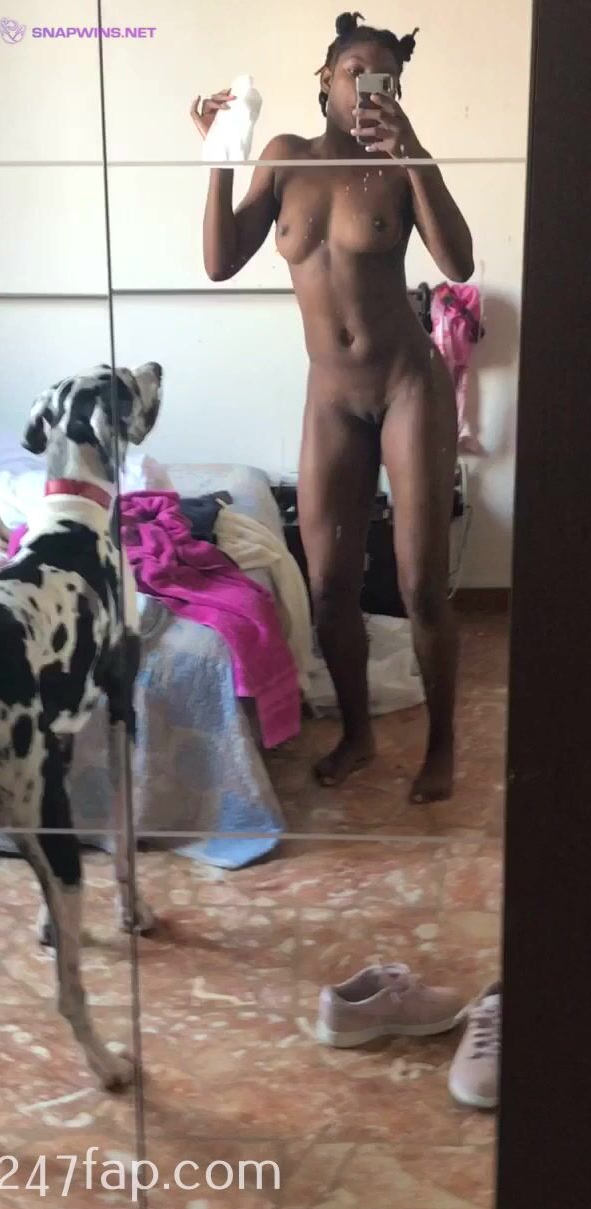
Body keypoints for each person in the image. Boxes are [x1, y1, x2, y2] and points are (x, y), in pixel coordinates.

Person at [191, 12, 474, 801]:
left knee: (420, 585)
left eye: (385, 79)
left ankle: (443, 747)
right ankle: (358, 733)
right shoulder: (285, 158)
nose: (368, 90)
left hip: (408, 386)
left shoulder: (397, 167)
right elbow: (219, 261)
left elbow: (458, 262)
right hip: (331, 397)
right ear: (325, 80)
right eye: (355, 72)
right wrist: (220, 158)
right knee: (328, 586)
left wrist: (414, 154)